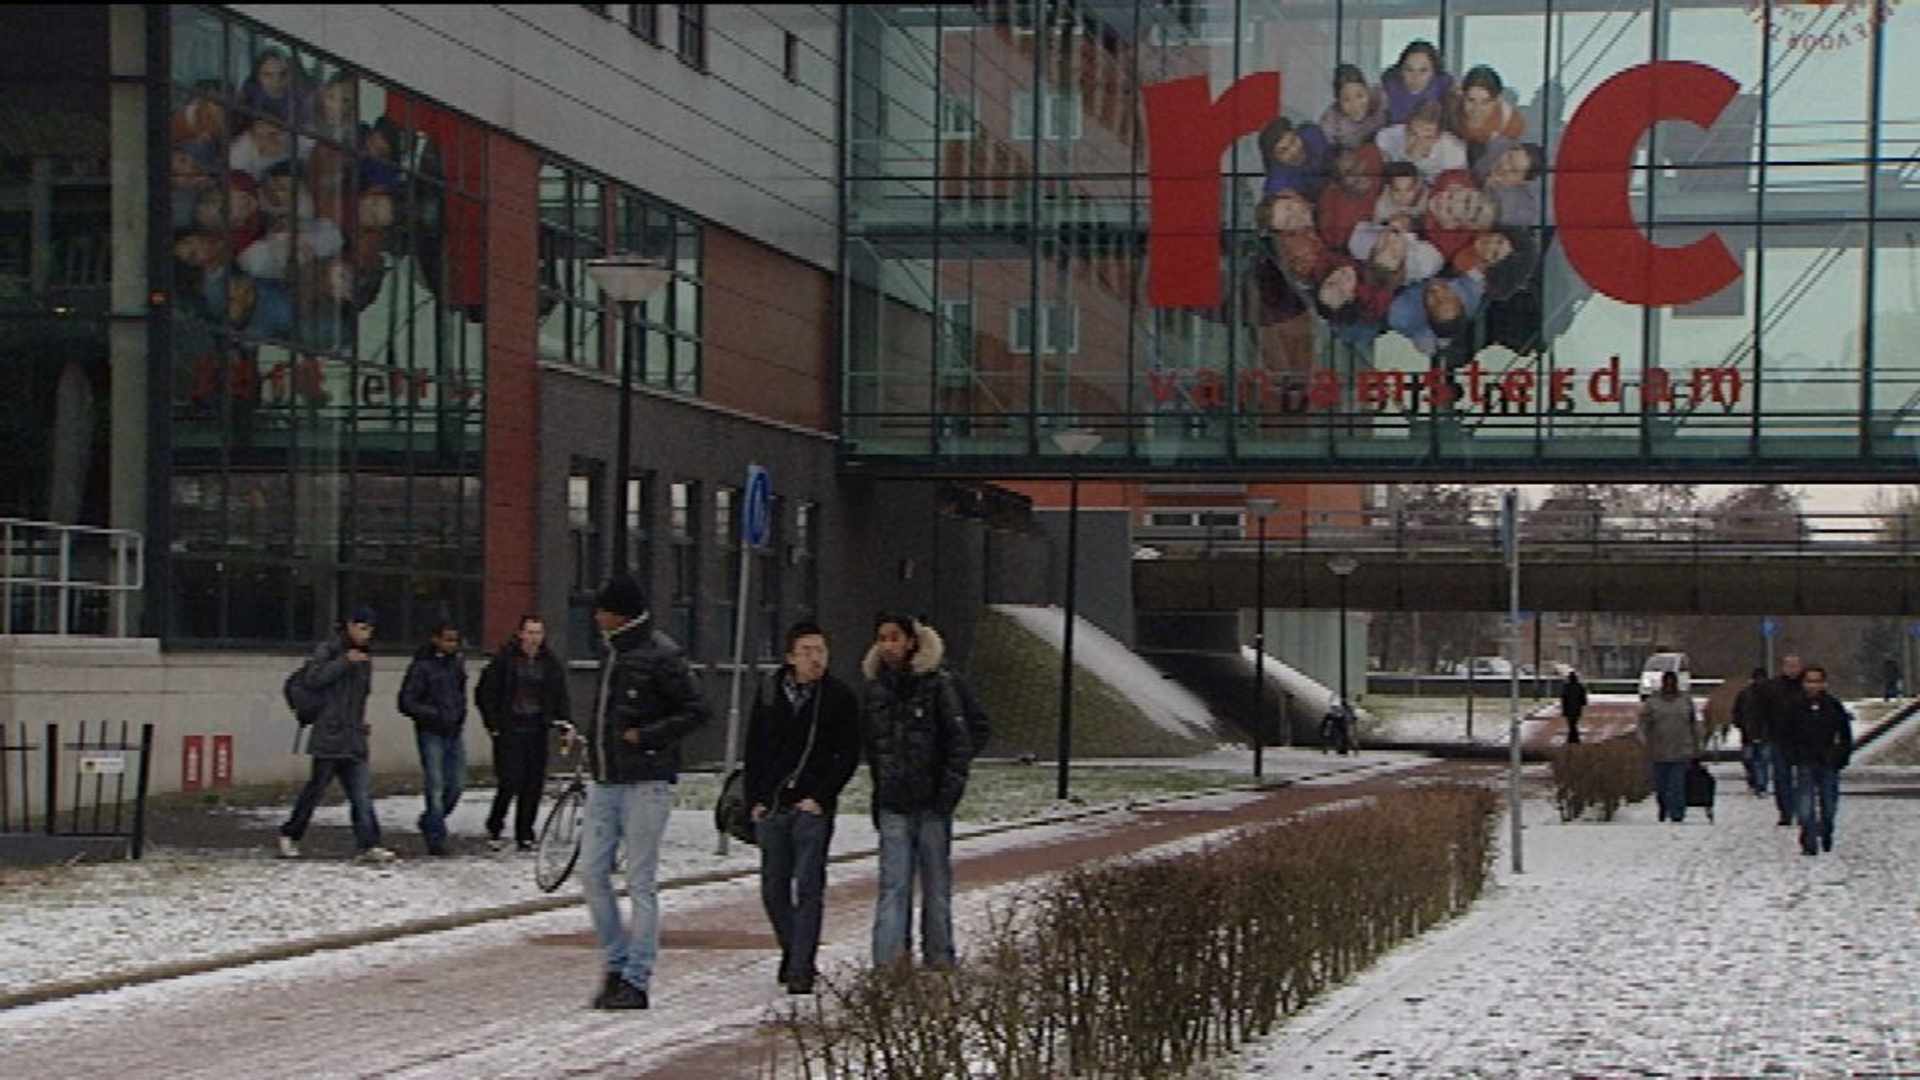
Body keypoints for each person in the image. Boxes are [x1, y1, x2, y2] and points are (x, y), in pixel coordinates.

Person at [580, 572, 710, 1011]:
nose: (596, 616)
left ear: (620, 613)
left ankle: (636, 976)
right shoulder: (613, 653)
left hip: (645, 783)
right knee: (593, 875)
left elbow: (697, 710)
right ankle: (616, 964)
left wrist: (648, 736)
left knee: (640, 881)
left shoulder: (662, 655)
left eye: (602, 609)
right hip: (605, 778)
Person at [743, 621, 861, 995]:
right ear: (790, 656)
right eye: (807, 651)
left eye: (821, 651)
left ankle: (800, 969)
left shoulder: (838, 697)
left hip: (812, 807)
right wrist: (756, 800)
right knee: (773, 887)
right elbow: (754, 748)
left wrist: (822, 797)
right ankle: (795, 950)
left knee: (809, 886)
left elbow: (848, 754)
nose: (816, 659)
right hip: (773, 805)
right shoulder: (768, 692)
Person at [859, 613, 974, 970]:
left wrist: (947, 791)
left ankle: (939, 956)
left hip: (931, 803)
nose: (888, 645)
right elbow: (873, 747)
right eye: (882, 638)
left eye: (895, 638)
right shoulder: (876, 689)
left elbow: (961, 739)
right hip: (894, 803)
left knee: (936, 885)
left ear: (911, 641)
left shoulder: (938, 684)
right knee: (893, 886)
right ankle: (888, 961)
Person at [277, 605, 395, 863]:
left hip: (353, 735)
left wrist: (361, 723)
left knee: (360, 793)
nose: (367, 634)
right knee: (316, 789)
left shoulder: (365, 658)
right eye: (362, 628)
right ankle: (291, 834)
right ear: (350, 625)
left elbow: (361, 696)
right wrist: (344, 662)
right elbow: (313, 679)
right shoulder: (329, 650)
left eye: (370, 629)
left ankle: (369, 842)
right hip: (329, 734)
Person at [475, 614, 572, 852]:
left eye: (538, 633)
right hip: (510, 728)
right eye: (529, 632)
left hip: (537, 728)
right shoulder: (505, 660)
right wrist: (493, 724)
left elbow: (560, 695)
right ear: (520, 634)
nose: (533, 638)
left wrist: (563, 723)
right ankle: (495, 824)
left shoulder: (549, 663)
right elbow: (485, 692)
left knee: (533, 783)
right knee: (509, 780)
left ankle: (525, 832)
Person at [398, 620, 469, 856]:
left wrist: (458, 715)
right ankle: (436, 836)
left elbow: (460, 695)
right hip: (431, 731)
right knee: (435, 784)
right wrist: (433, 715)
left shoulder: (457, 665)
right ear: (435, 639)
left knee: (456, 784)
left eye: (455, 640)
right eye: (447, 639)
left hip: (453, 730)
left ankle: (431, 820)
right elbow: (406, 701)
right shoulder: (421, 667)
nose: (452, 644)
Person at [1776, 664, 1853, 856]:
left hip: (1828, 760)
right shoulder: (1793, 706)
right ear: (1803, 683)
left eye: (1817, 681)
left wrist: (1841, 756)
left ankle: (1826, 829)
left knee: (1829, 804)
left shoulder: (1833, 705)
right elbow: (1784, 734)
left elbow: (1845, 734)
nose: (1813, 686)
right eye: (1809, 681)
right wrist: (1791, 755)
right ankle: (1808, 839)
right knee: (1805, 804)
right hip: (1805, 761)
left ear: (1824, 683)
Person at [1637, 670, 1701, 824]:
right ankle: (1664, 806)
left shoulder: (1685, 701)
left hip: (1682, 750)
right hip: (1659, 750)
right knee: (1661, 787)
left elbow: (1694, 724)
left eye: (1673, 682)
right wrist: (1643, 740)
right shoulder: (1653, 702)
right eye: (1667, 682)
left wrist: (1697, 745)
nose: (1670, 686)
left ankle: (1677, 813)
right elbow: (1643, 723)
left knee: (1677, 785)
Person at [1765, 655, 1806, 826]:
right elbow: (1765, 710)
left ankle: (1802, 809)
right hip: (1779, 738)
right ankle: (1786, 811)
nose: (1792, 669)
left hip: (1804, 739)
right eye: (1789, 666)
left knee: (1804, 777)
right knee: (1782, 777)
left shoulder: (1807, 686)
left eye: (1795, 666)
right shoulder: (1774, 687)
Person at [1731, 667, 1772, 796]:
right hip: (1748, 732)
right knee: (1749, 759)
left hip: (1765, 733)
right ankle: (1755, 781)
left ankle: (1761, 785)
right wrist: (1739, 723)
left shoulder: (1771, 695)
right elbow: (1737, 710)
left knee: (1762, 760)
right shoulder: (1745, 694)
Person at [1559, 670, 1587, 745]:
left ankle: (1572, 737)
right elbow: (1583, 697)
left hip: (1568, 707)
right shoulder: (1580, 686)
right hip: (1577, 707)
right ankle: (1574, 737)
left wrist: (1563, 707)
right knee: (1574, 722)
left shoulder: (1566, 687)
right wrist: (1583, 703)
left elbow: (1563, 698)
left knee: (1571, 723)